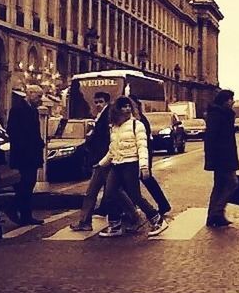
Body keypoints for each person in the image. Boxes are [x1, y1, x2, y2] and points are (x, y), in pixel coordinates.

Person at [98, 97, 168, 238]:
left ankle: (156, 218)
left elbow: (142, 146)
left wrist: (143, 166)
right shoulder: (114, 127)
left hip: (131, 163)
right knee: (110, 194)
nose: (127, 109)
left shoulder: (137, 125)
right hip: (116, 164)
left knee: (135, 195)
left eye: (129, 106)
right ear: (117, 109)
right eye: (123, 107)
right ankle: (115, 225)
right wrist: (101, 164)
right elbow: (112, 149)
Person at [70, 92, 116, 231]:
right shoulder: (101, 116)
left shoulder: (108, 115)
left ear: (107, 102)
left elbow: (106, 139)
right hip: (103, 159)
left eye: (100, 101)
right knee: (114, 191)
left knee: (92, 192)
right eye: (95, 102)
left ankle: (85, 222)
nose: (97, 105)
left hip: (102, 160)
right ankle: (135, 216)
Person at [6, 84, 46, 225]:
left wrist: (40, 142)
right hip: (23, 155)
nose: (40, 99)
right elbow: (12, 130)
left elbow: (35, 132)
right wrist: (25, 145)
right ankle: (13, 208)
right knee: (25, 184)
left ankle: (26, 215)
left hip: (32, 154)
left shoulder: (34, 111)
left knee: (29, 184)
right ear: (29, 93)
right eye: (38, 96)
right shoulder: (17, 109)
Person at [130, 97, 172, 215]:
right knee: (142, 181)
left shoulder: (140, 120)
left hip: (142, 154)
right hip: (142, 153)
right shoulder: (138, 119)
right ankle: (162, 204)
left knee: (145, 180)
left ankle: (160, 206)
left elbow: (144, 140)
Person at [204, 89, 239, 228]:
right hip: (222, 158)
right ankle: (217, 212)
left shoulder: (223, 114)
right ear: (224, 100)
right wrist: (213, 158)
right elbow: (211, 138)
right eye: (230, 99)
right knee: (232, 183)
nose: (232, 102)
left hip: (224, 156)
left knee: (219, 186)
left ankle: (212, 216)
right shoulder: (218, 115)